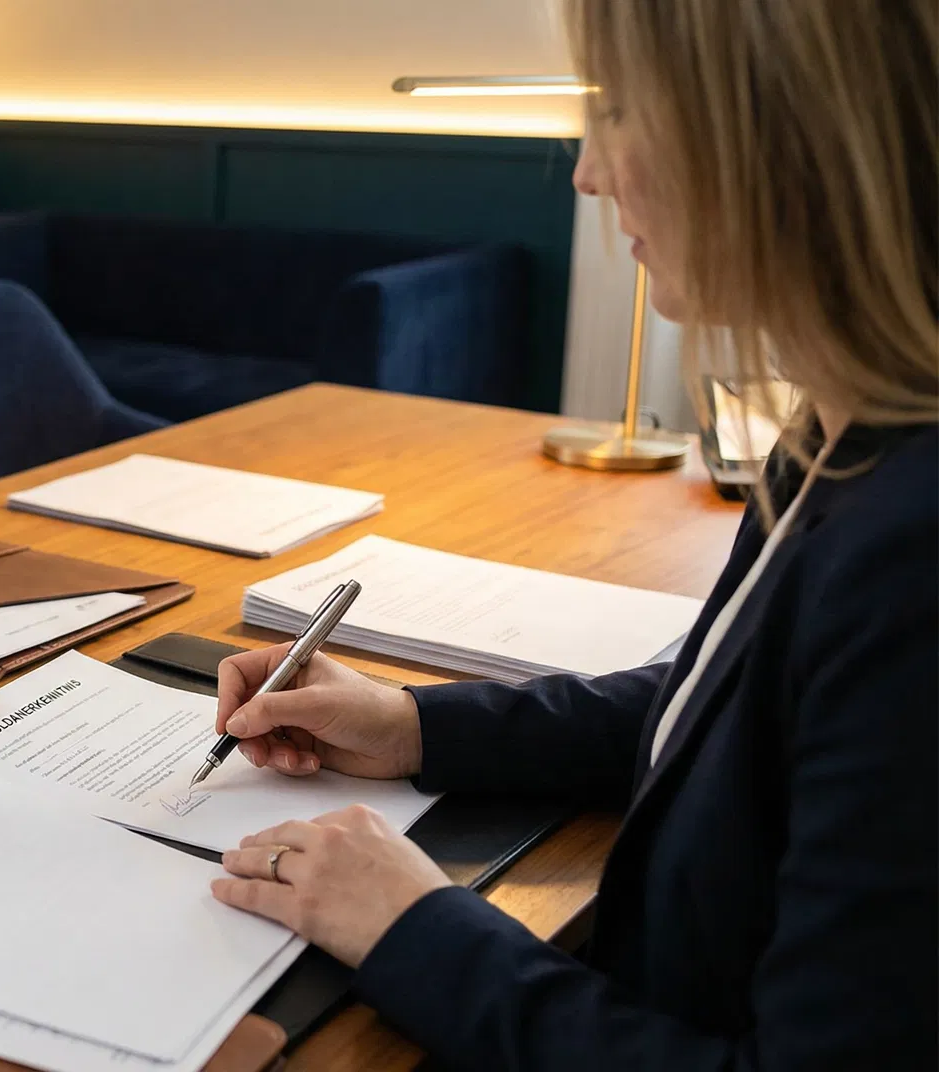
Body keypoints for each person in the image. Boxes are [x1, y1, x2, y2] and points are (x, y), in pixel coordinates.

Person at [205, 0, 937, 1066]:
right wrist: (412, 725)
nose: (588, 174)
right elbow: (727, 712)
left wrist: (416, 928)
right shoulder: (838, 432)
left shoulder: (912, 553)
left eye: (624, 110)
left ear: (789, 134)